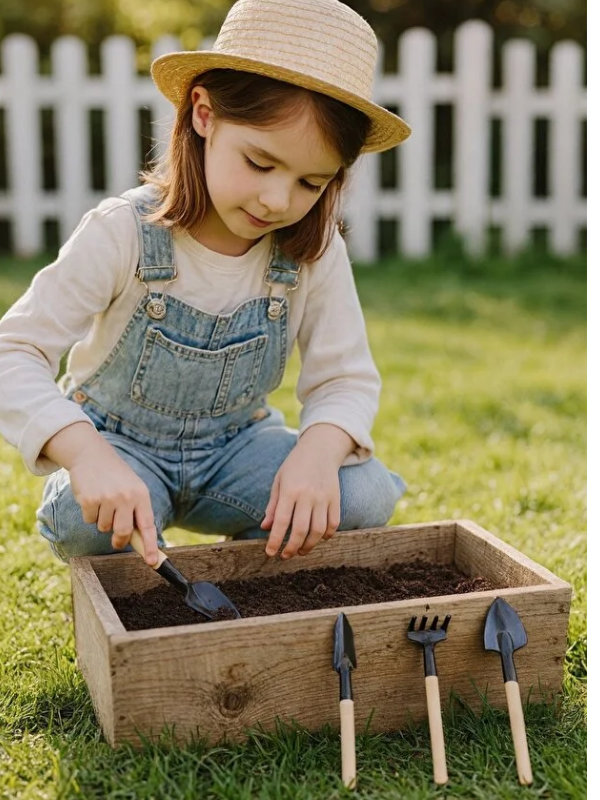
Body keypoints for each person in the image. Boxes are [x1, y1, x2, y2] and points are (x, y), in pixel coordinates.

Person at [0, 0, 411, 567]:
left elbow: (345, 378)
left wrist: (317, 455)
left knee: (361, 494)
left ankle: (248, 563)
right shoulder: (123, 232)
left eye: (311, 182)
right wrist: (86, 454)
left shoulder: (311, 250)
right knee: (81, 519)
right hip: (121, 451)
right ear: (204, 114)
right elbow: (13, 351)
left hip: (236, 450)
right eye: (261, 164)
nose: (278, 200)